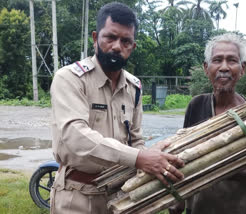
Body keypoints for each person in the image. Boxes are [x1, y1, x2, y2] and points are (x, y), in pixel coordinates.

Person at [50, 3, 184, 214]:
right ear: (95, 38)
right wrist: (139, 158)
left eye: (125, 41)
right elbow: (75, 136)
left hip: (122, 195)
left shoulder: (134, 87)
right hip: (77, 196)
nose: (116, 46)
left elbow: (136, 139)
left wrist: (150, 157)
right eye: (110, 37)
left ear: (133, 47)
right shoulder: (70, 78)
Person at [169, 33, 246, 214]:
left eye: (232, 60)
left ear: (243, 68)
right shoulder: (197, 105)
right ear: (206, 68)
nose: (224, 67)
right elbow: (180, 156)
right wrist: (179, 200)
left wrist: (214, 168)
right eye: (217, 60)